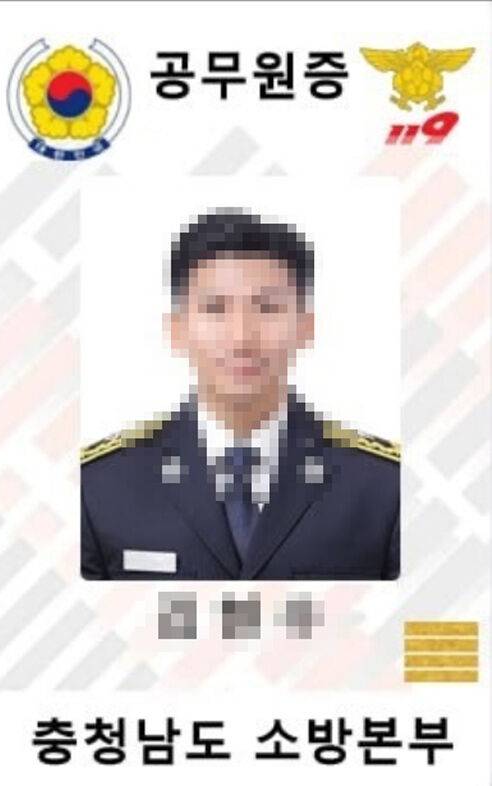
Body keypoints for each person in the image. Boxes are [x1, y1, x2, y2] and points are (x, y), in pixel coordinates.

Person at [81, 208, 400, 580]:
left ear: (306, 328)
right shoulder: (100, 485)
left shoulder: (382, 485)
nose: (241, 338)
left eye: (268, 308)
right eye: (215, 309)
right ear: (176, 330)